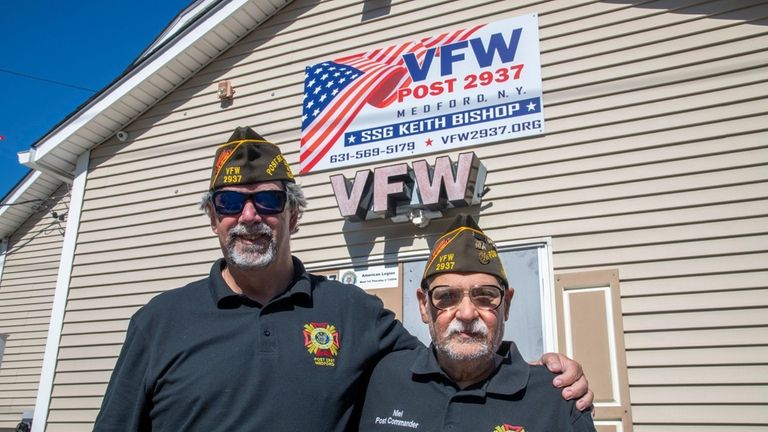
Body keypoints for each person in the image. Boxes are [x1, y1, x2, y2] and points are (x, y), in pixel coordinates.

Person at [93, 127, 592, 431]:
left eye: (268, 200)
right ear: (212, 219)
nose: (249, 216)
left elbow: (452, 355)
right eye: (229, 203)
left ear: (293, 215)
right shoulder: (158, 321)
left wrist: (540, 375)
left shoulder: (353, 313)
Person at [359, 214, 596, 431]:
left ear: (507, 305)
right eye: (447, 296)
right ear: (423, 306)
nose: (466, 314)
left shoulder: (557, 398)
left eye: (484, 296)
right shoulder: (382, 377)